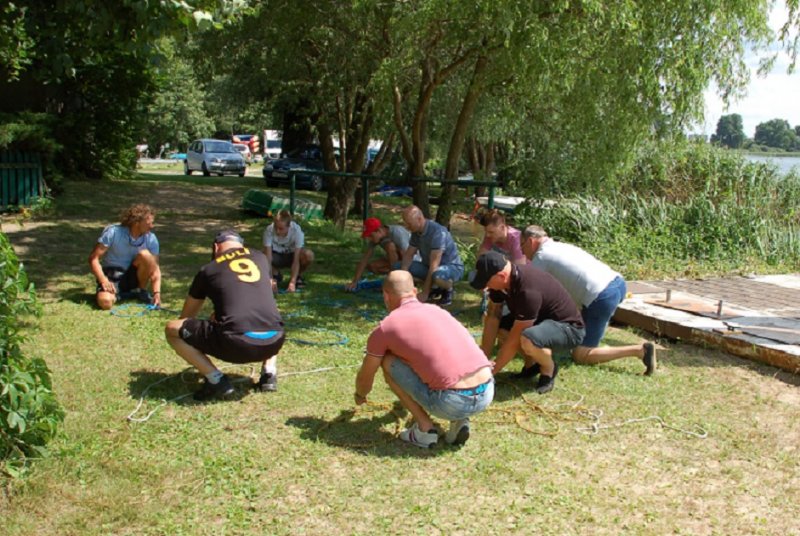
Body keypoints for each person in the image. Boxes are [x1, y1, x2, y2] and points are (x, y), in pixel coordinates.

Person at [354, 270, 494, 447]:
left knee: (387, 359)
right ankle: (460, 421)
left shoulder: (385, 328)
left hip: (452, 401)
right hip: (487, 391)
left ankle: (425, 429)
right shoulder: (438, 311)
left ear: (386, 296)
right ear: (414, 291)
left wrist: (360, 394)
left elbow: (366, 375)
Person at [165, 230, 285, 401]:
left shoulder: (209, 269)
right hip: (275, 341)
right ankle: (269, 373)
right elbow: (266, 296)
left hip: (236, 344)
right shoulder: (261, 258)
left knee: (172, 329)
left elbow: (186, 318)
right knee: (267, 316)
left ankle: (216, 380)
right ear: (241, 245)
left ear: (216, 248)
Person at [520, 225, 656, 375]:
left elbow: (529, 293)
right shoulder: (560, 246)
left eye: (522, 245)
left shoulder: (541, 257)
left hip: (601, 296)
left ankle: (640, 351)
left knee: (581, 355)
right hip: (617, 283)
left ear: (531, 241)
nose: (522, 251)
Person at [471, 251, 585, 394]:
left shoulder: (528, 290)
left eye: (487, 282)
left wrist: (490, 373)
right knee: (500, 325)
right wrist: (482, 361)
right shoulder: (501, 284)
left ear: (501, 276)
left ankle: (548, 368)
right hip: (539, 322)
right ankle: (531, 366)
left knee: (528, 338)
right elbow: (493, 317)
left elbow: (514, 339)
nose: (485, 287)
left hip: (568, 328)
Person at [88, 203, 162, 310]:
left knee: (145, 255)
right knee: (105, 302)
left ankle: (140, 291)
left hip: (133, 275)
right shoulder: (113, 232)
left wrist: (156, 293)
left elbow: (155, 268)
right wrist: (103, 280)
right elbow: (93, 258)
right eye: (149, 223)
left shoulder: (151, 238)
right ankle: (117, 294)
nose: (152, 226)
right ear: (137, 222)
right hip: (112, 276)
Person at [399, 205, 464, 306]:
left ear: (419, 219)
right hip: (428, 267)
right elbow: (408, 255)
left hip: (450, 267)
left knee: (437, 276)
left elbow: (434, 264)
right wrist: (403, 278)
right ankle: (435, 287)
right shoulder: (416, 232)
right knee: (397, 268)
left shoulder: (438, 232)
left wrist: (425, 293)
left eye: (409, 224)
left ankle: (448, 288)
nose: (406, 227)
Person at [345, 217, 413, 291]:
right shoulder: (376, 238)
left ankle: (397, 280)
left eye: (371, 236)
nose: (370, 239)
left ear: (379, 230)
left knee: (390, 246)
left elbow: (407, 256)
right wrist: (355, 282)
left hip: (412, 262)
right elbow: (364, 260)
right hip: (398, 262)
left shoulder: (398, 232)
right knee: (372, 266)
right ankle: (393, 277)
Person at [262, 209, 314, 293]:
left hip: (292, 256)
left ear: (289, 226)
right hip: (276, 256)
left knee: (308, 255)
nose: (277, 231)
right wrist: (270, 279)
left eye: (281, 228)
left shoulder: (297, 232)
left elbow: (296, 260)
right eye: (276, 227)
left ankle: (297, 277)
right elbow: (268, 258)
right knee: (261, 257)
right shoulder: (269, 230)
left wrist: (292, 282)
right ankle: (275, 275)